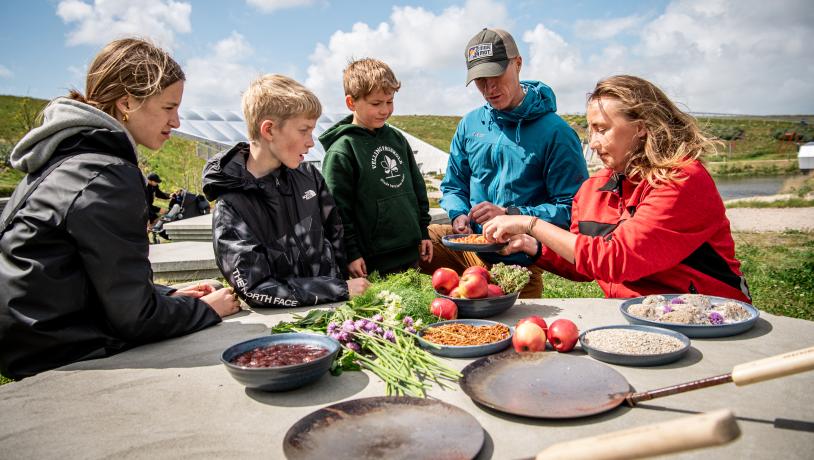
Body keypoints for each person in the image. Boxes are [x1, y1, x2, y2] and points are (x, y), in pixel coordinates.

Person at [0, 38, 241, 380]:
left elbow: (78, 279)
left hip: (33, 343)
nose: (176, 121)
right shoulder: (107, 175)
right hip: (66, 355)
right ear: (126, 102)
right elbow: (137, 319)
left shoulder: (69, 158)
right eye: (168, 107)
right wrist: (204, 309)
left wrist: (168, 294)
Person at [483, 75, 751, 302]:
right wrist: (535, 247)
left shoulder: (681, 180)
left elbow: (617, 259)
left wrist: (531, 224)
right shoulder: (593, 190)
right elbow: (587, 262)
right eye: (591, 131)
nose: (594, 143)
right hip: (638, 320)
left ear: (642, 127)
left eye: (602, 129)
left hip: (705, 316)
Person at [421, 28, 589, 298]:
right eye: (480, 81)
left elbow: (572, 210)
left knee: (512, 333)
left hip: (516, 258)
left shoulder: (557, 133)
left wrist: (511, 213)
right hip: (467, 245)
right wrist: (459, 214)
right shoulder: (470, 124)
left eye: (496, 76)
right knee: (407, 242)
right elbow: (453, 186)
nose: (489, 89)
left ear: (518, 64)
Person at [203, 74, 370, 309]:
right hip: (286, 325)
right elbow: (255, 288)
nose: (311, 142)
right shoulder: (231, 206)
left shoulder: (310, 177)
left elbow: (336, 237)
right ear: (269, 130)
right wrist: (337, 289)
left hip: (338, 311)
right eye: (304, 130)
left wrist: (343, 282)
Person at [320, 58, 433, 278]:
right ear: (351, 103)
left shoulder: (397, 139)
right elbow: (337, 211)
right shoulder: (342, 150)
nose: (385, 110)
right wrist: (350, 253)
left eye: (389, 102)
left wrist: (423, 232)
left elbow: (417, 188)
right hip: (371, 263)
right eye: (376, 103)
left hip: (411, 252)